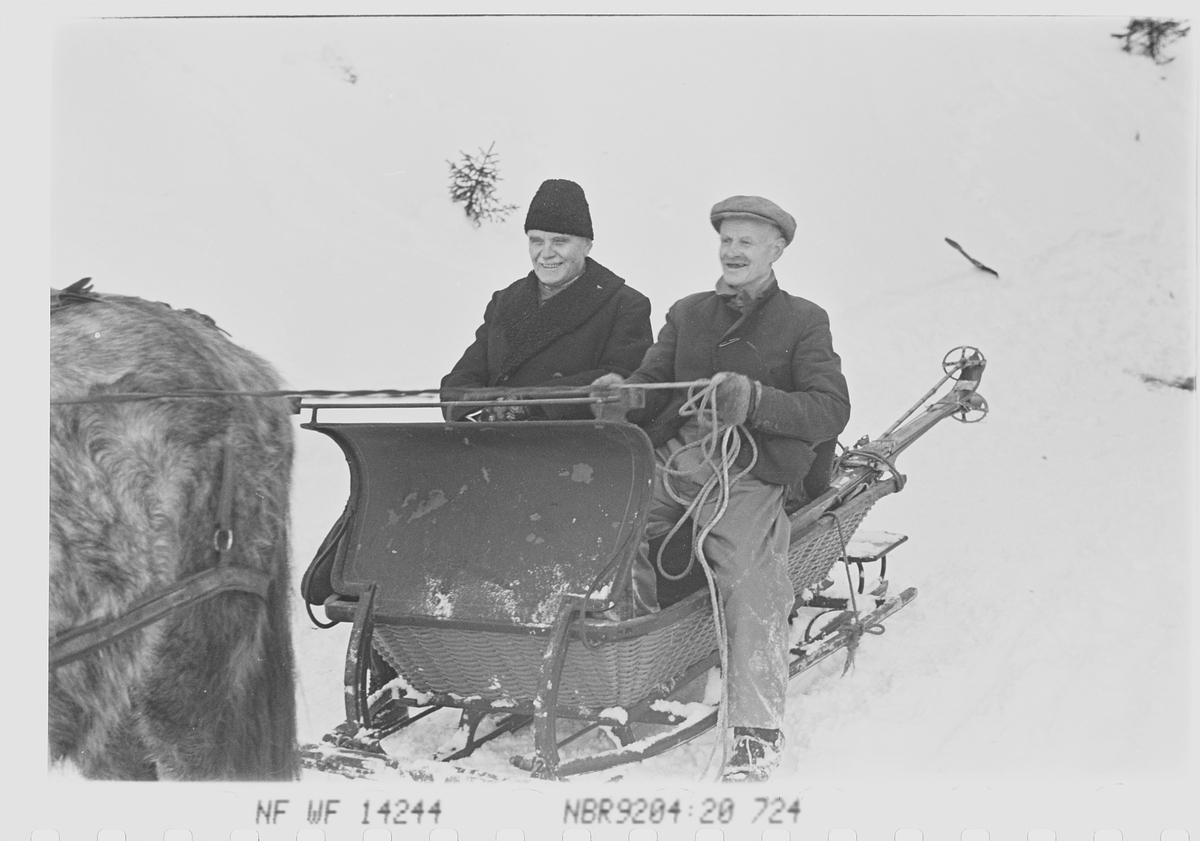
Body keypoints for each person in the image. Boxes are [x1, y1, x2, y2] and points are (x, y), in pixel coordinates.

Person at [592, 195, 851, 781]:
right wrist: (622, 394)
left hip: (750, 472)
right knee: (611, 541)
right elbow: (653, 383)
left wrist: (755, 400)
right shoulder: (688, 313)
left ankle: (756, 734)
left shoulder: (804, 319)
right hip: (676, 463)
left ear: (777, 250)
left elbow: (830, 409)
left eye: (747, 242)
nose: (733, 252)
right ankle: (632, 683)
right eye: (727, 240)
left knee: (751, 578)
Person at [441, 179, 653, 421]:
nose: (546, 253)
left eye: (560, 241)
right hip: (492, 439)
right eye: (536, 241)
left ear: (587, 246)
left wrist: (530, 406)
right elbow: (461, 378)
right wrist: (482, 413)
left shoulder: (624, 304)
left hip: (569, 444)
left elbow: (620, 380)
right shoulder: (505, 300)